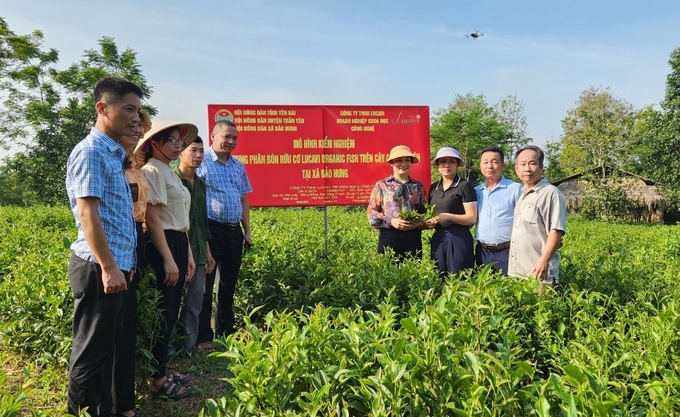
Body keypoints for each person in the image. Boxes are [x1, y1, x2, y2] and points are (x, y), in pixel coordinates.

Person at [65, 76, 141, 417]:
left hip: (114, 265)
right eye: (128, 109)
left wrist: (125, 262)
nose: (135, 117)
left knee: (110, 347)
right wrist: (110, 266)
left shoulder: (113, 154)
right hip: (98, 267)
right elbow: (87, 214)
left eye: (138, 110)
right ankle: (79, 411)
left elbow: (117, 217)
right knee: (91, 352)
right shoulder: (92, 151)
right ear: (103, 108)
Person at [133, 120, 198, 400]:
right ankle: (156, 380)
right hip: (163, 245)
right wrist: (169, 259)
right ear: (153, 144)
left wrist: (189, 255)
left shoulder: (169, 172)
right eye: (171, 139)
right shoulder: (152, 170)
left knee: (171, 311)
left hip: (178, 241)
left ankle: (160, 369)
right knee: (162, 314)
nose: (178, 144)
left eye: (179, 140)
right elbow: (153, 219)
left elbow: (181, 221)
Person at [195, 120, 252, 352]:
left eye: (234, 138)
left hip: (233, 231)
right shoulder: (202, 162)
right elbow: (195, 199)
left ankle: (226, 331)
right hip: (211, 229)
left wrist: (247, 230)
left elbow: (243, 198)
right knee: (206, 285)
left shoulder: (238, 166)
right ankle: (203, 336)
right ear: (213, 136)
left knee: (228, 284)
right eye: (226, 137)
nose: (231, 142)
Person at [111, 110, 151, 417]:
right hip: (115, 244)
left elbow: (143, 134)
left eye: (140, 128)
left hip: (136, 238)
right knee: (112, 332)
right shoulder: (111, 164)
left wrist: (140, 120)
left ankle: (124, 403)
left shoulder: (135, 165)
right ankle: (112, 404)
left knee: (126, 326)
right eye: (131, 127)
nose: (137, 132)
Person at [173, 136, 215, 355]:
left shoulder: (201, 184)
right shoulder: (172, 180)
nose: (198, 155)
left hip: (198, 250)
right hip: (177, 249)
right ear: (180, 152)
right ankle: (168, 349)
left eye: (201, 151)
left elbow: (201, 221)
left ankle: (187, 348)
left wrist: (207, 251)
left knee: (195, 301)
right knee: (172, 301)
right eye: (193, 150)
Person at [508, 145, 567, 292]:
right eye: (522, 164)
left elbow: (556, 231)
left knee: (542, 314)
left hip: (540, 274)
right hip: (518, 272)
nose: (527, 168)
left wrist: (543, 261)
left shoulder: (550, 193)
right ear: (516, 169)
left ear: (541, 167)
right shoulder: (522, 195)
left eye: (532, 163)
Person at [367, 145, 427, 259]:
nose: (403, 163)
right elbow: (371, 214)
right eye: (399, 160)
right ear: (391, 163)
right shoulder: (382, 185)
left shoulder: (418, 186)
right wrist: (391, 221)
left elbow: (425, 212)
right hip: (389, 236)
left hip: (413, 238)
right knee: (388, 273)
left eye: (407, 160)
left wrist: (418, 222)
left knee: (413, 273)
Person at [425, 147, 477, 275]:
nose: (447, 165)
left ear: (457, 164)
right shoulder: (433, 188)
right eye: (442, 161)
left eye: (451, 161)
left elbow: (472, 218)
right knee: (439, 276)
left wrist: (448, 217)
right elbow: (430, 213)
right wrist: (429, 222)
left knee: (459, 277)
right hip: (439, 238)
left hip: (459, 237)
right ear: (437, 165)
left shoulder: (464, 186)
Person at [474, 146, 523, 275]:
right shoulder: (476, 191)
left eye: (494, 162)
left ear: (503, 165)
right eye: (485, 162)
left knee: (510, 289)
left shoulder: (515, 189)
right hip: (482, 252)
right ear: (480, 166)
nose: (489, 166)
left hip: (508, 250)